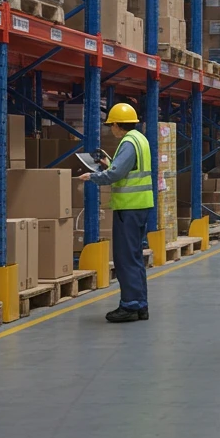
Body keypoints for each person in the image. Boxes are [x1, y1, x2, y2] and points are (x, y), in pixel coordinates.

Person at [77, 102, 154, 323]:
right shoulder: (141, 140)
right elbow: (127, 169)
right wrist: (108, 163)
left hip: (129, 208)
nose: (111, 128)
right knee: (135, 257)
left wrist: (92, 176)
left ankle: (130, 306)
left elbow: (117, 174)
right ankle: (140, 305)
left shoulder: (128, 142)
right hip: (140, 206)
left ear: (119, 125)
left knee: (125, 258)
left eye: (111, 124)